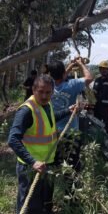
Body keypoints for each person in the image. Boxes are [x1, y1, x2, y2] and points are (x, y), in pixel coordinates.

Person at [8, 74, 77, 214]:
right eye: (41, 91)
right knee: (29, 205)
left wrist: (68, 111)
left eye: (48, 92)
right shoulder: (27, 110)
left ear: (52, 92)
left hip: (46, 163)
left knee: (45, 203)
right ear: (34, 90)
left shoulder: (47, 104)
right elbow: (13, 139)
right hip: (31, 168)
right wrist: (33, 162)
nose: (44, 96)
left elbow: (51, 118)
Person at [47, 58, 93, 132]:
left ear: (50, 73)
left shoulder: (48, 84)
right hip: (70, 130)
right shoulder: (73, 84)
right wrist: (80, 64)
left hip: (51, 129)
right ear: (63, 72)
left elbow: (61, 76)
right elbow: (89, 78)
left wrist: (71, 65)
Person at [93, 61, 108, 136]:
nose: (104, 70)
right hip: (97, 107)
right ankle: (97, 140)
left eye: (105, 69)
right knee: (96, 124)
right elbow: (94, 93)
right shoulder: (97, 80)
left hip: (107, 108)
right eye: (102, 68)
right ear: (99, 70)